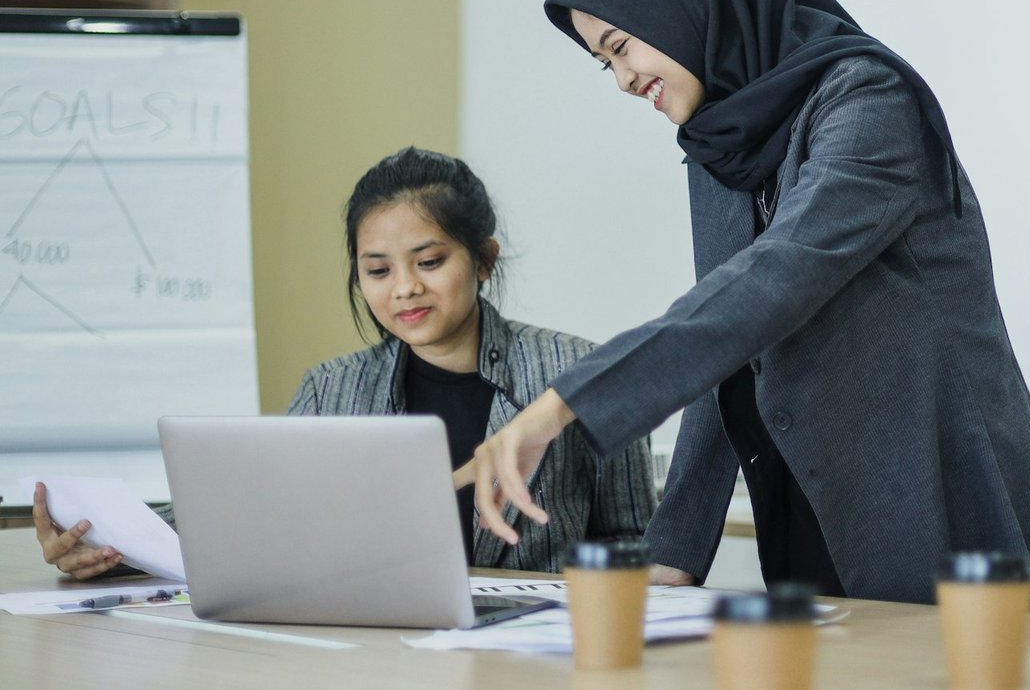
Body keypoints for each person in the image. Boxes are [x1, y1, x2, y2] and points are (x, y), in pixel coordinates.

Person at [458, 0, 1030, 605]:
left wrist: (562, 403)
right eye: (604, 64)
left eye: (621, 47)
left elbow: (769, 286)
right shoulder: (719, 145)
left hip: (930, 512)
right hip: (808, 505)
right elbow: (726, 341)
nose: (623, 81)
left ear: (684, 0)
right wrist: (675, 552)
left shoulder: (870, 101)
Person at [35, 146, 656, 579]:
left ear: (484, 259)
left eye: (430, 261)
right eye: (378, 270)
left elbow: (638, 544)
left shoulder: (578, 373)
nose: (404, 288)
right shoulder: (331, 388)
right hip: (373, 646)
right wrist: (104, 540)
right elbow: (255, 512)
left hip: (538, 657)